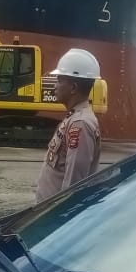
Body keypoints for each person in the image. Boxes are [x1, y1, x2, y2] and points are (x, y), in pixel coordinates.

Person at [35, 48, 102, 202]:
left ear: (73, 88)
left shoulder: (80, 124)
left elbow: (73, 186)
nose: (55, 86)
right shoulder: (74, 118)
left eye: (59, 80)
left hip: (54, 213)